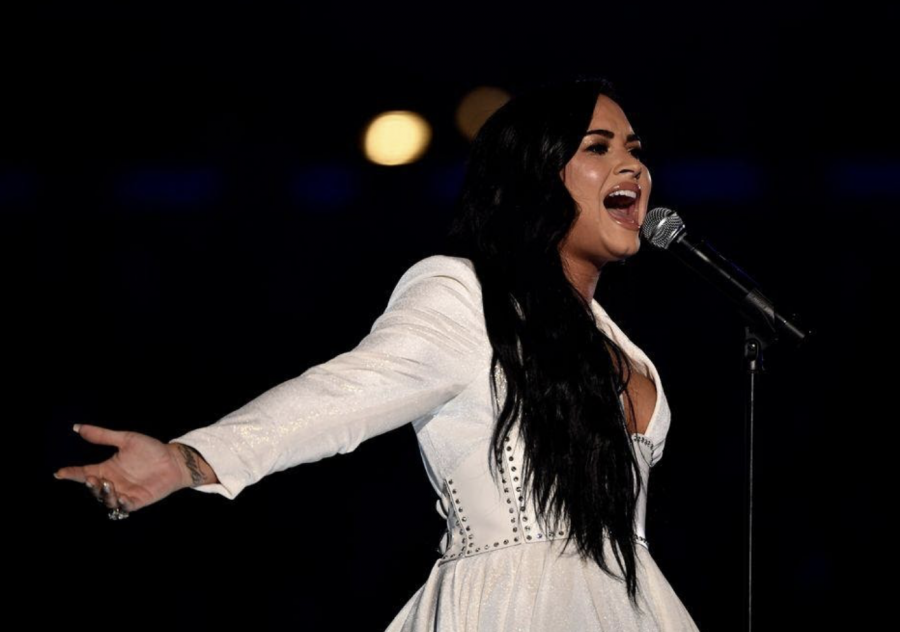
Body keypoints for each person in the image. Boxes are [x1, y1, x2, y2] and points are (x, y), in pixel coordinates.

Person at [54, 75, 701, 630]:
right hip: (515, 601)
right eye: (598, 147)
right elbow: (346, 395)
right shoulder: (466, 296)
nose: (634, 166)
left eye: (635, 150)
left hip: (635, 606)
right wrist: (191, 458)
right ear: (536, 173)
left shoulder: (628, 351)